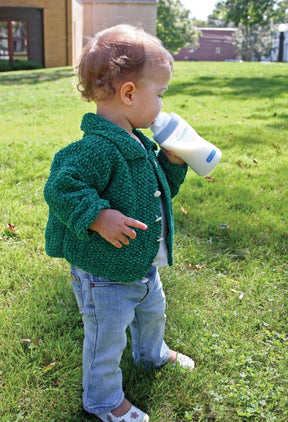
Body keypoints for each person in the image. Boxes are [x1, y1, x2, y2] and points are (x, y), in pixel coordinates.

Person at [44, 24, 195, 422]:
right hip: (105, 275)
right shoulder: (95, 147)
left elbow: (154, 193)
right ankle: (103, 400)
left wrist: (172, 164)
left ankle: (152, 354)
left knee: (153, 314)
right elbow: (61, 187)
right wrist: (97, 216)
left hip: (141, 266)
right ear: (129, 94)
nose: (163, 106)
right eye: (159, 95)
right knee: (105, 339)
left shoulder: (136, 141)